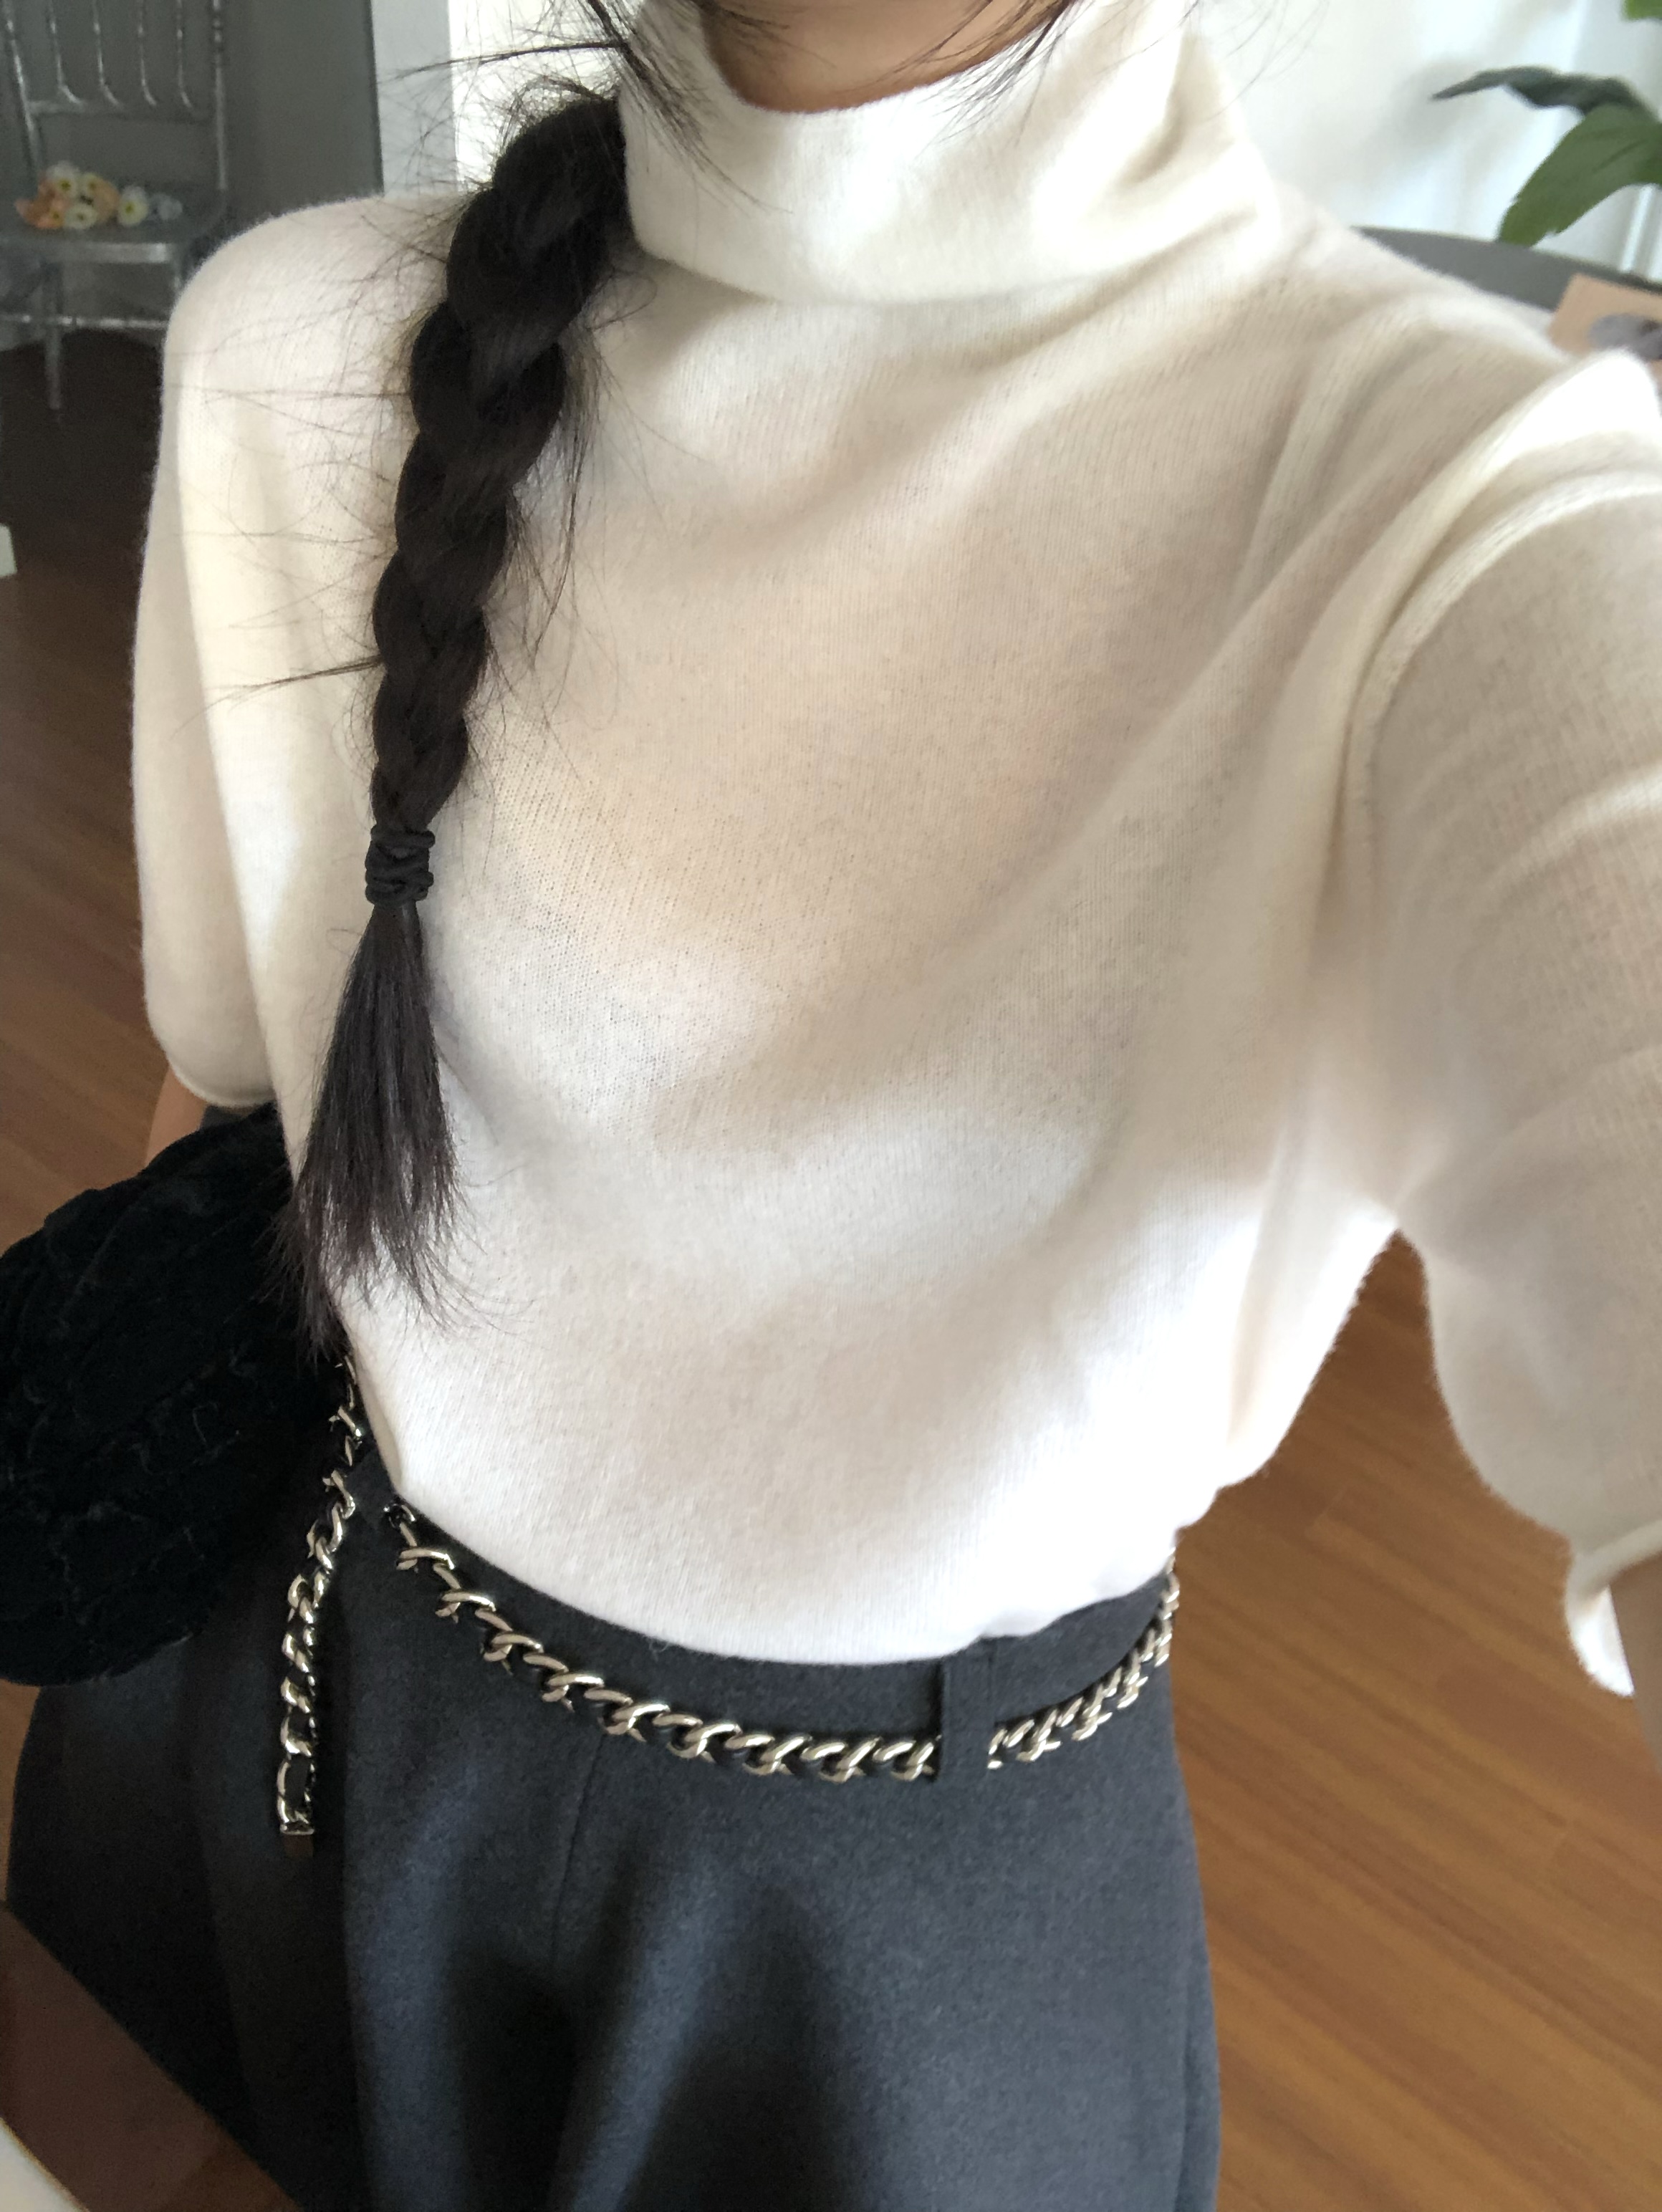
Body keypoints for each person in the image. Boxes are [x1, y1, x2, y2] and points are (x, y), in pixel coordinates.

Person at [10, 0, 1662, 2203]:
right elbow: (233, 1122)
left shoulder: (1476, 515)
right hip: (256, 1757)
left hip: (869, 1993)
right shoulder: (294, 347)